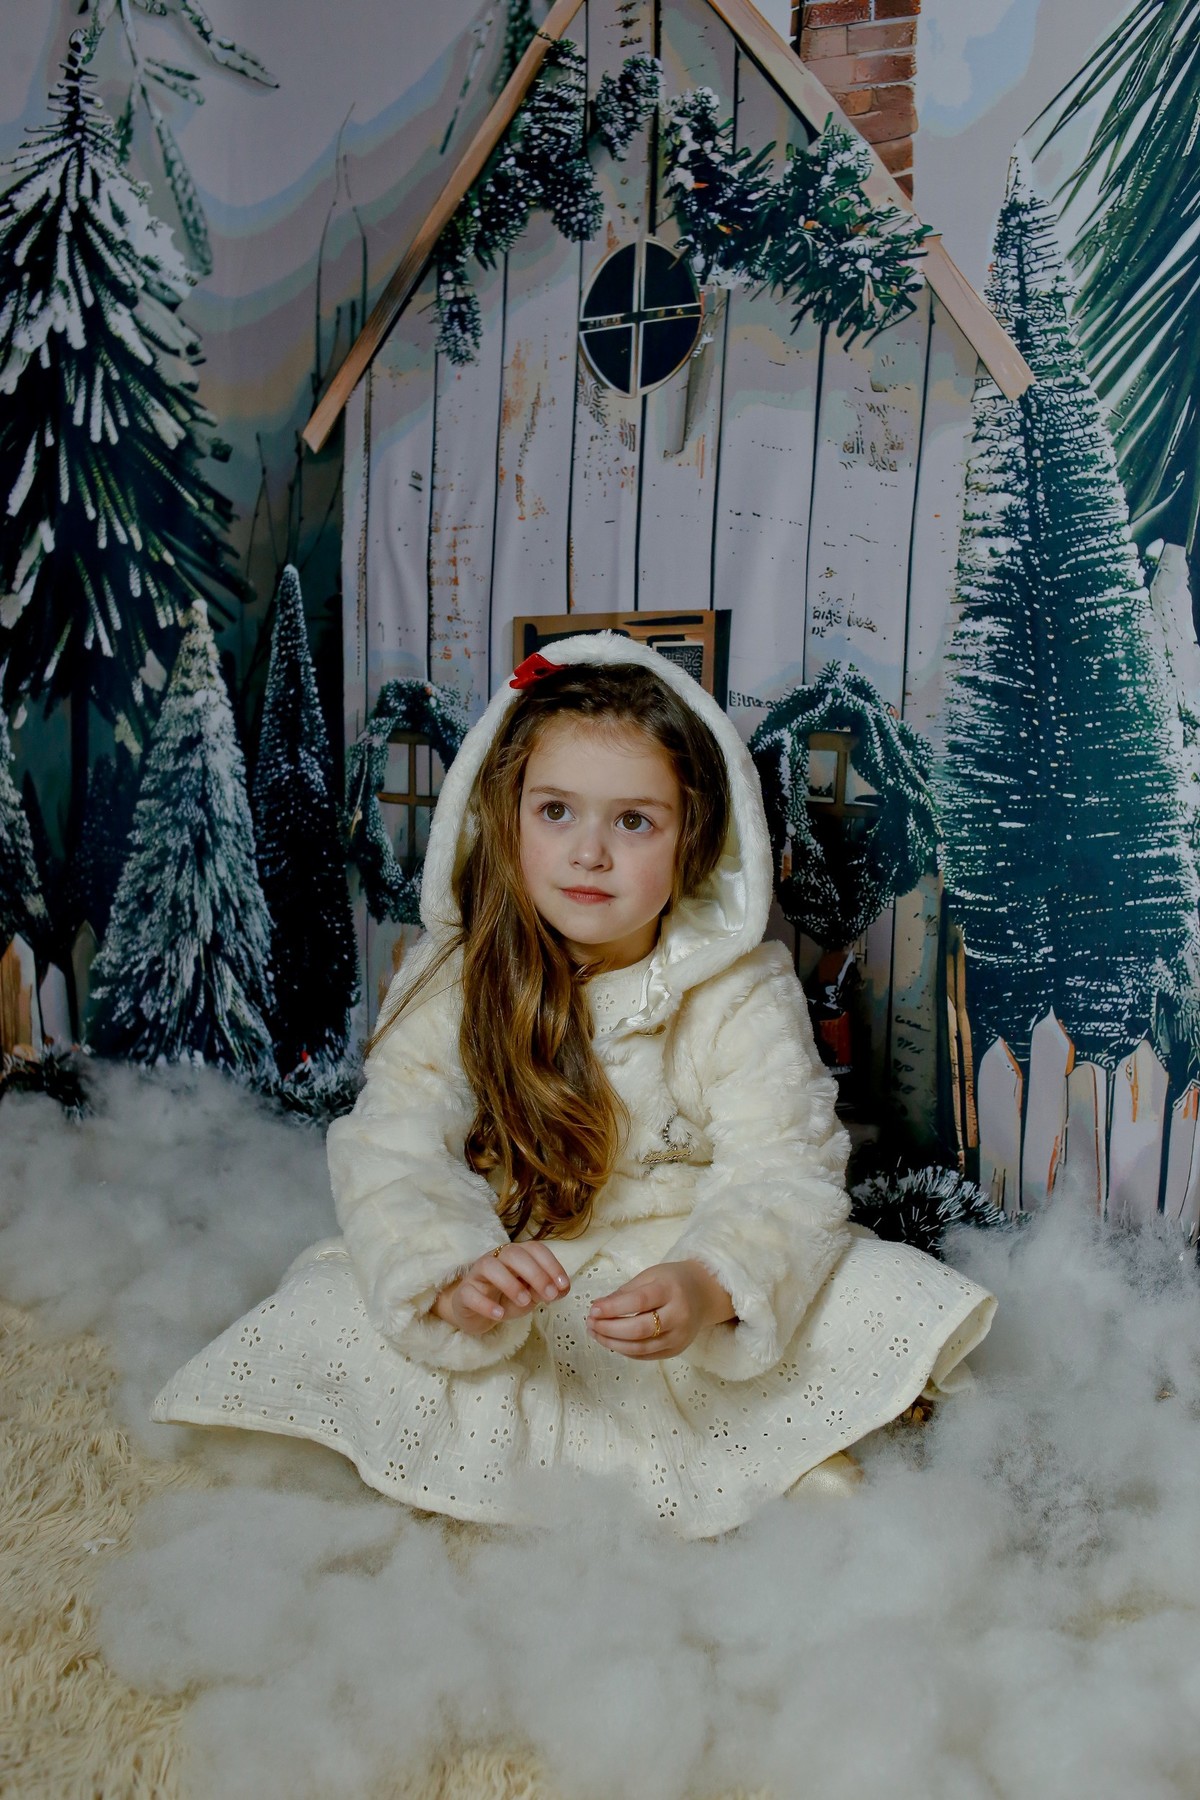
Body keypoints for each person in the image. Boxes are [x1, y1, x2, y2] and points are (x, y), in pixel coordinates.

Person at [154, 634, 994, 1537]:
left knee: (871, 1288)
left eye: (634, 822)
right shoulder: (454, 975)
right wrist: (453, 1277)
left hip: (673, 1271)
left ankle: (780, 1445)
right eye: (556, 811)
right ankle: (749, 1451)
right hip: (520, 1269)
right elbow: (394, 1144)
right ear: (504, 816)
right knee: (336, 1302)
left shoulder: (738, 989)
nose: (589, 853)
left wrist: (709, 1285)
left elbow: (785, 1166)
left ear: (697, 840)